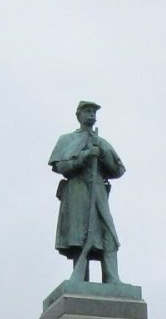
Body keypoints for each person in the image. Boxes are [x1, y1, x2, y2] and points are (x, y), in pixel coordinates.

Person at [49, 101, 126, 283]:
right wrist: (82, 157)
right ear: (79, 115)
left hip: (98, 190)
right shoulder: (66, 139)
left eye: (93, 112)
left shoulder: (101, 141)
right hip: (77, 191)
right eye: (87, 111)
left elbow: (118, 170)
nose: (91, 114)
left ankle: (112, 278)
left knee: (109, 234)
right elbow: (60, 166)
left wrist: (101, 154)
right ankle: (80, 280)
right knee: (80, 235)